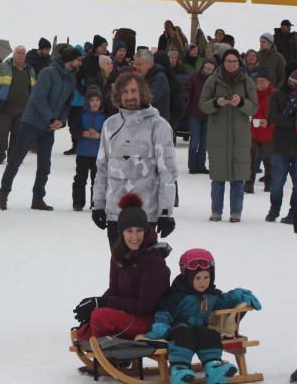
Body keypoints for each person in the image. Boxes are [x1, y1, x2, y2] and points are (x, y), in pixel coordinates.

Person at [144, 248, 262, 384]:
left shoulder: (212, 295)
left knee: (210, 334)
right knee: (183, 336)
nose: (202, 282)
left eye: (206, 277)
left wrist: (237, 295)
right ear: (187, 277)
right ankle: (180, 370)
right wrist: (161, 324)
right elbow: (165, 311)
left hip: (201, 328)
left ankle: (214, 368)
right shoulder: (177, 295)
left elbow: (224, 301)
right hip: (179, 328)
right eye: (198, 278)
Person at [92, 72, 177, 247]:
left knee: (144, 270)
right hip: (116, 214)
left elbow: (167, 172)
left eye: (133, 91)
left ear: (142, 93)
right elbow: (101, 168)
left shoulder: (158, 126)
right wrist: (98, 204)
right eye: (124, 92)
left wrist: (165, 212)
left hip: (146, 215)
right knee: (119, 270)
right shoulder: (110, 125)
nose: (129, 96)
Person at [74, 194, 171, 342]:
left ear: (145, 231)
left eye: (139, 230)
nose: (135, 237)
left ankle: (114, 357)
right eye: (129, 231)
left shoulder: (153, 261)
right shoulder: (119, 256)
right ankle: (112, 352)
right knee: (85, 331)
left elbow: (145, 306)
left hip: (150, 322)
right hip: (128, 315)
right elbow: (114, 291)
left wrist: (104, 303)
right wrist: (95, 303)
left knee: (101, 318)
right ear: (122, 232)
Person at [0, 45, 81, 211]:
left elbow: (67, 104)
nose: (80, 62)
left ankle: (38, 199)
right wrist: (51, 118)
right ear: (71, 60)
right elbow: (37, 98)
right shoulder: (48, 73)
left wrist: (61, 120)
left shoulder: (71, 79)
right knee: (15, 160)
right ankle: (3, 195)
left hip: (49, 127)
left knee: (45, 165)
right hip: (32, 122)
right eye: (78, 59)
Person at [199, 49, 257, 222]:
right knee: (218, 176)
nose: (231, 64)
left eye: (234, 61)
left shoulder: (247, 82)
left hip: (240, 136)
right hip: (218, 135)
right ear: (223, 63)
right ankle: (216, 211)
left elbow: (254, 107)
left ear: (239, 63)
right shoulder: (212, 81)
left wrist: (241, 103)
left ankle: (236, 213)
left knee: (238, 177)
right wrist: (217, 102)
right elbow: (203, 105)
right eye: (228, 61)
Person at [0, 45, 35, 164]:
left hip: (23, 108)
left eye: (23, 53)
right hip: (5, 107)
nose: (21, 55)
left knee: (17, 133)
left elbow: (34, 89)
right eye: (18, 53)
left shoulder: (30, 70)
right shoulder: (2, 67)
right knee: (3, 132)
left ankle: (13, 156)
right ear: (14, 54)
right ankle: (0, 155)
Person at [266, 68, 297, 223]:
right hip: (280, 146)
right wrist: (292, 122)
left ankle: (293, 213)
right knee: (277, 183)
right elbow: (273, 118)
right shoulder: (277, 94)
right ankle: (274, 209)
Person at [72, 86, 104, 211]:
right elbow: (73, 129)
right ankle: (78, 203)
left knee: (97, 180)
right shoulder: (81, 114)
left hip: (98, 155)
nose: (95, 103)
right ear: (87, 102)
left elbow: (109, 134)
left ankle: (95, 203)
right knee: (80, 178)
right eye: (92, 100)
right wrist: (82, 133)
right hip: (83, 152)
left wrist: (99, 135)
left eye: (97, 100)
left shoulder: (104, 117)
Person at [184, 59, 216, 174]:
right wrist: (186, 96)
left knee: (204, 142)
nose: (207, 71)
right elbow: (188, 90)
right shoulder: (194, 77)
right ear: (202, 67)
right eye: (206, 68)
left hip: (208, 114)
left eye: (210, 69)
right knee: (194, 141)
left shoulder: (214, 80)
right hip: (194, 113)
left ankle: (201, 165)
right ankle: (192, 165)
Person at [246, 70, 274, 193]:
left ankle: (268, 182)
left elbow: (278, 114)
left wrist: (268, 122)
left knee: (268, 159)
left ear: (269, 82)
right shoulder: (252, 94)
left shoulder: (274, 95)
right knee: (250, 159)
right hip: (253, 131)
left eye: (263, 81)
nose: (261, 84)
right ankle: (249, 183)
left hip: (269, 132)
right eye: (258, 81)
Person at [134, 49, 170, 121]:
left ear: (150, 64)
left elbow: (149, 99)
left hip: (157, 124)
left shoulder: (159, 78)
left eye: (140, 64)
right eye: (136, 64)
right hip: (146, 121)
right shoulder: (142, 77)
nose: (137, 67)